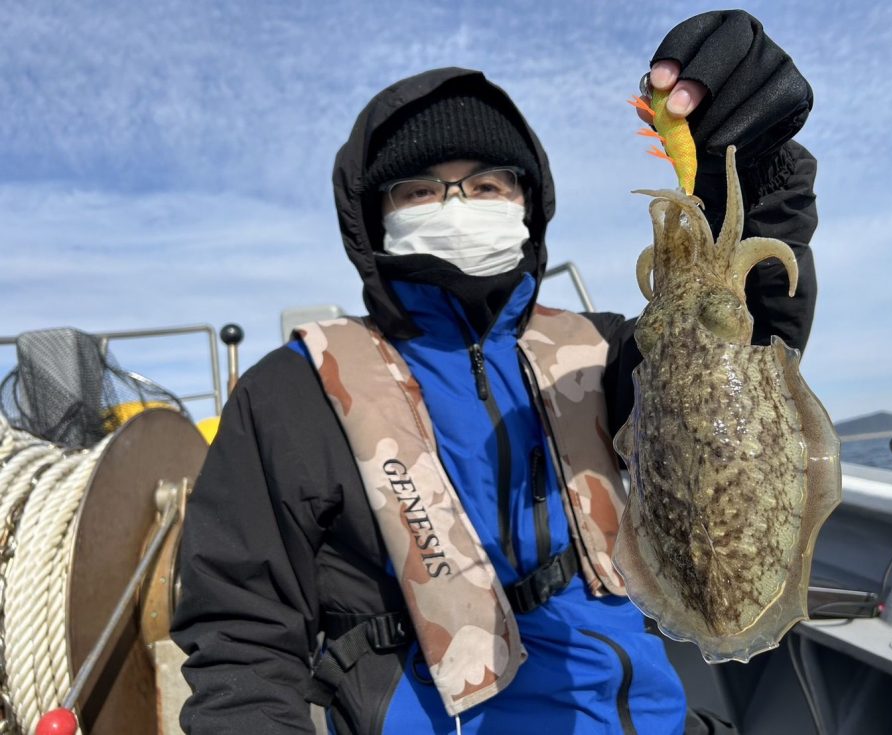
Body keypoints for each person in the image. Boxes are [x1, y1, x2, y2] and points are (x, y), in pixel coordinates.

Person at [171, 9, 818, 735]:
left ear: (527, 202)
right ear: (373, 216)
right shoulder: (292, 393)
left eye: (485, 185)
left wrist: (758, 173)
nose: (454, 206)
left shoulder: (602, 355)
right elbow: (241, 640)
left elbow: (751, 344)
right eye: (419, 190)